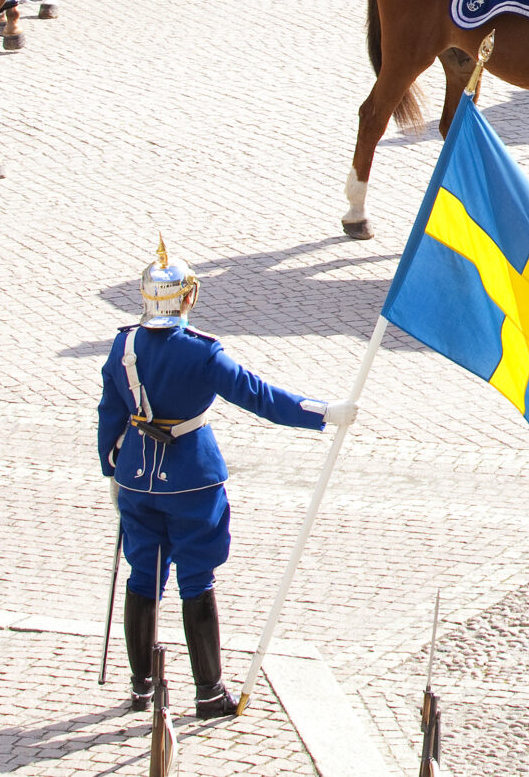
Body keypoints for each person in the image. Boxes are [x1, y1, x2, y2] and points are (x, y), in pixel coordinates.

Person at [100, 242, 353, 719]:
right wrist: (322, 413)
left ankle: (142, 685)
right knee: (196, 578)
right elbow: (258, 395)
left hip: (136, 475)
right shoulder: (201, 352)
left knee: (143, 574)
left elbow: (110, 413)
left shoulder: (123, 346)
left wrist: (111, 469)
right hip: (192, 478)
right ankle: (208, 691)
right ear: (188, 298)